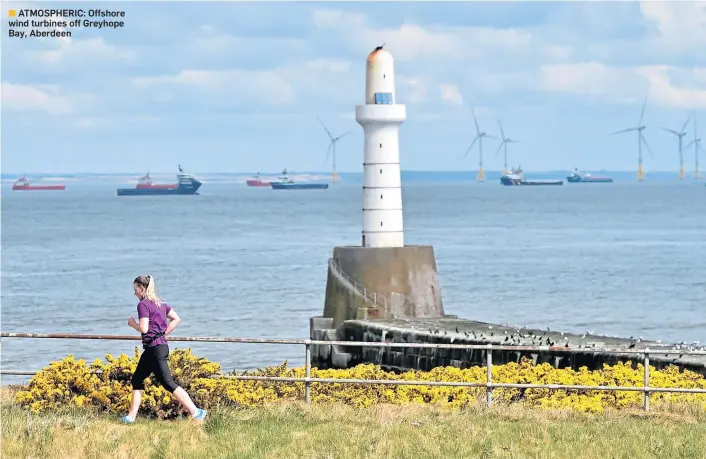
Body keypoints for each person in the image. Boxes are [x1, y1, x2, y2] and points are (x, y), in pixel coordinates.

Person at [122, 275, 207, 423]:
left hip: (155, 349)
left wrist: (132, 324)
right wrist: (163, 334)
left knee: (168, 383)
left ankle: (196, 412)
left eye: (135, 289)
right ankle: (131, 417)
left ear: (142, 289)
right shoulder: (161, 303)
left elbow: (143, 328)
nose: (134, 292)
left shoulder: (143, 304)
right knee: (137, 379)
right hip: (156, 348)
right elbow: (176, 318)